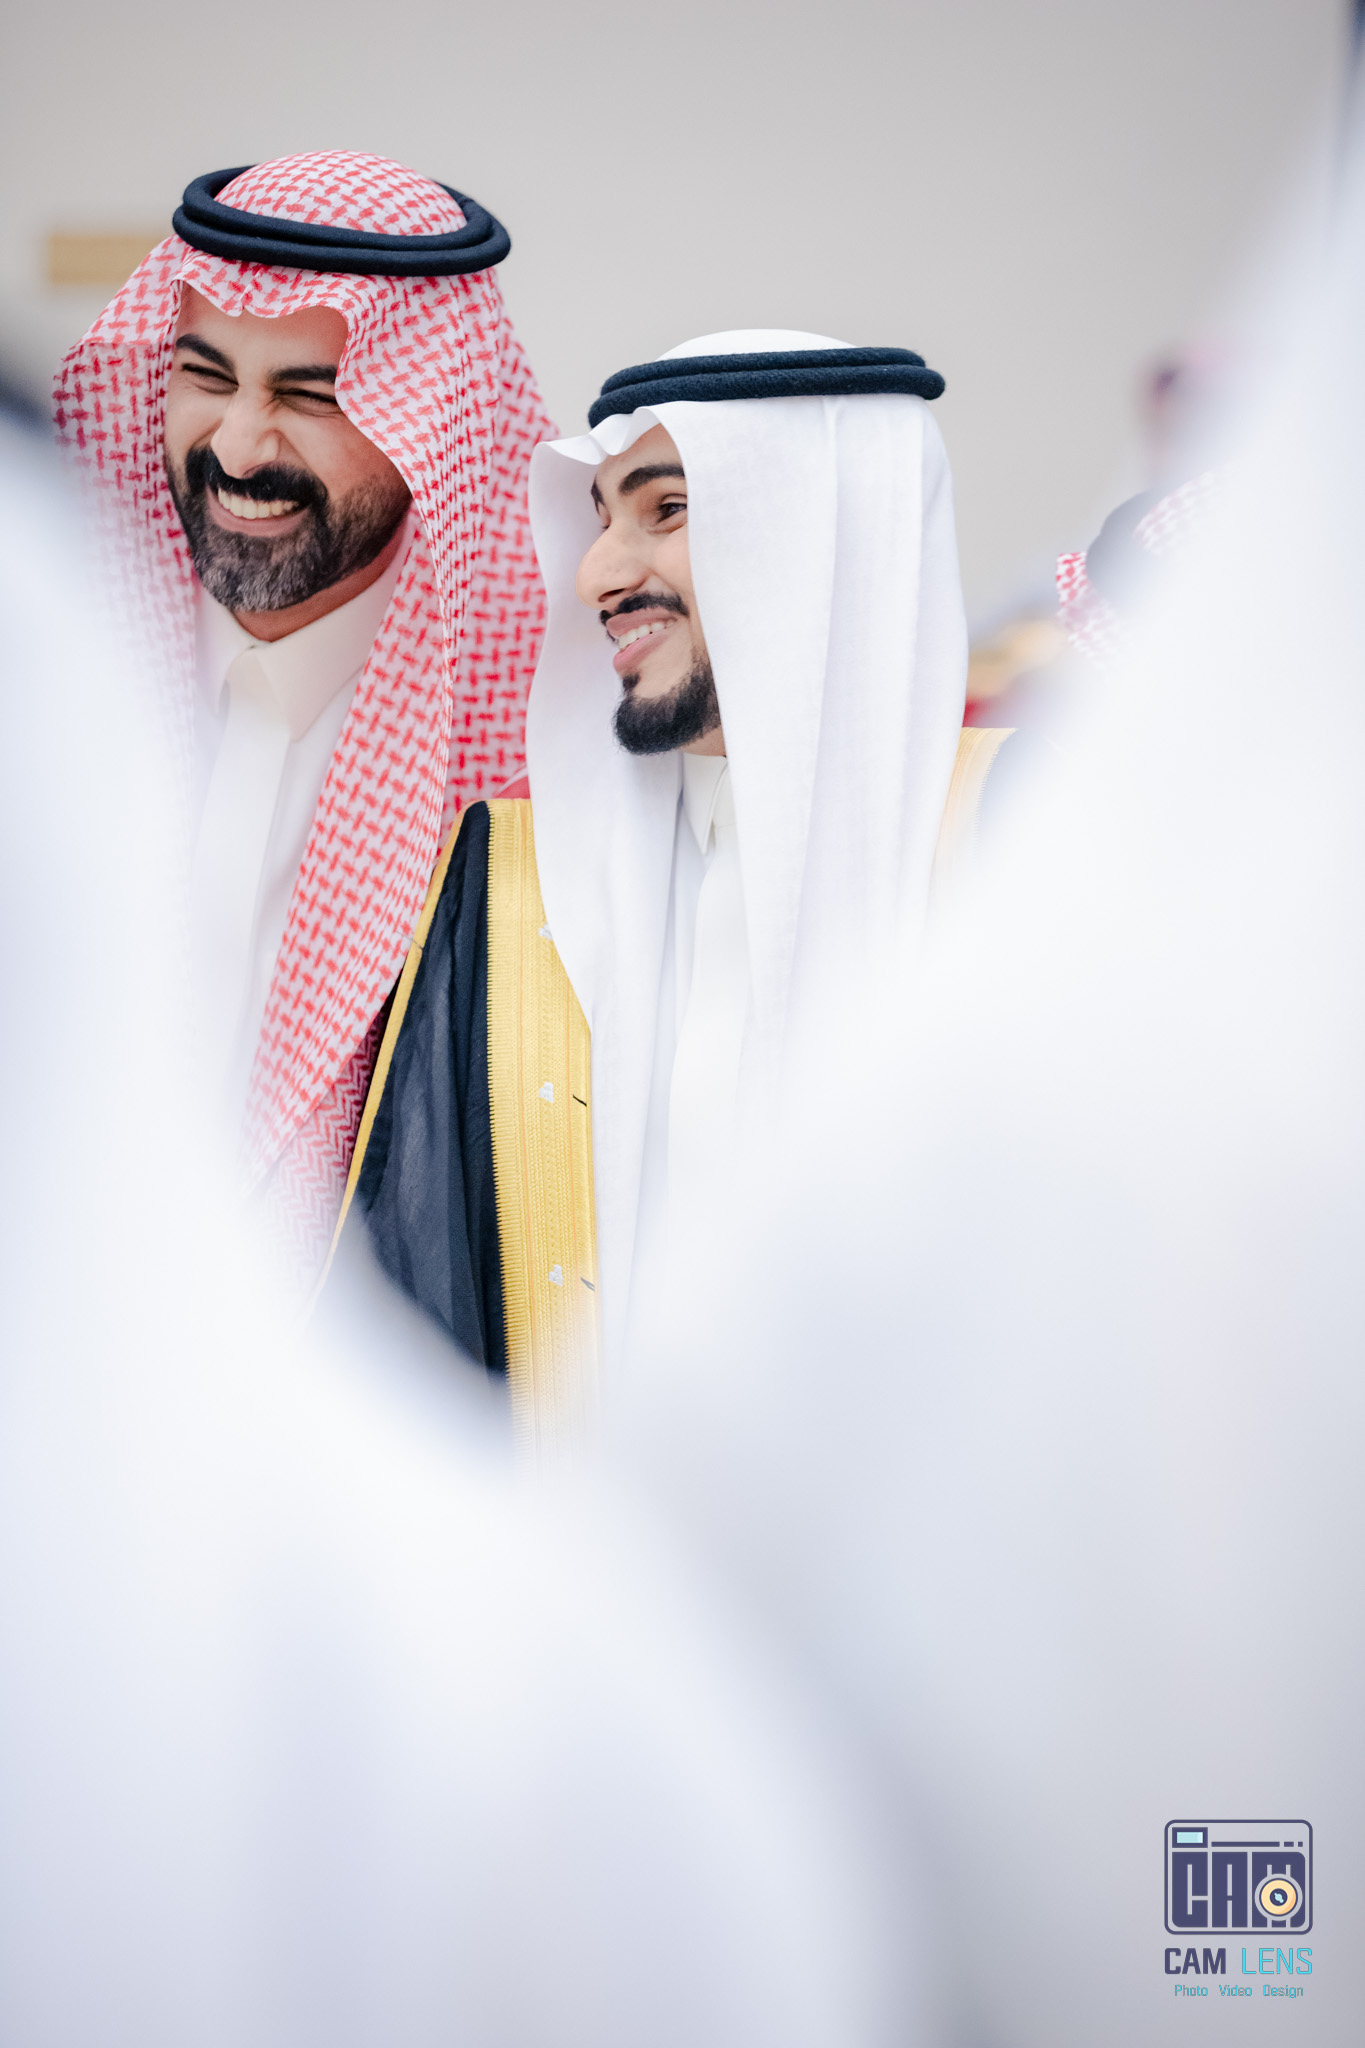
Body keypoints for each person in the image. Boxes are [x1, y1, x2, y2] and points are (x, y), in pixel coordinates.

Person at [337, 333, 1010, 1437]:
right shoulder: (506, 880)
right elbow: (418, 1339)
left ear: (822, 527)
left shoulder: (1023, 839)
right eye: (601, 518)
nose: (596, 575)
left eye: (667, 510)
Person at [54, 152, 553, 1280]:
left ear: (431, 422)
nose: (238, 448)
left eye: (310, 396)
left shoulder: (537, 752)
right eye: (206, 376)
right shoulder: (50, 681)